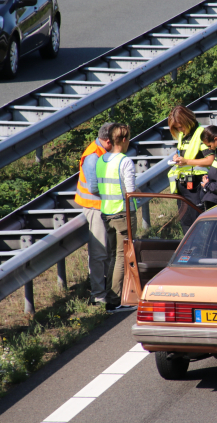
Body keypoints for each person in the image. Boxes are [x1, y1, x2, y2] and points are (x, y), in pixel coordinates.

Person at [92, 123, 137, 313]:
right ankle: (115, 299)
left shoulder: (101, 160)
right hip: (122, 213)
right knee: (121, 257)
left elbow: (95, 188)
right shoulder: (125, 161)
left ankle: (113, 297)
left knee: (112, 256)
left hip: (107, 213)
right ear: (124, 139)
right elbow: (131, 191)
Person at [75, 123, 113, 306]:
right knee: (99, 254)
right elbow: (95, 188)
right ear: (107, 141)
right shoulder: (93, 157)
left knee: (108, 252)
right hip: (96, 208)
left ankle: (106, 290)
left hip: (104, 207)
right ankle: (98, 297)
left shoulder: (103, 151)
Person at [167, 106, 214, 228]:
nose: (180, 130)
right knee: (185, 223)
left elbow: (210, 160)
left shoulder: (201, 134)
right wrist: (176, 158)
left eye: (181, 126)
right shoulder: (183, 135)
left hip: (195, 186)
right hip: (183, 185)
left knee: (197, 222)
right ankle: (188, 247)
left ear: (188, 120)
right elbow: (183, 153)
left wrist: (186, 161)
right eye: (177, 128)